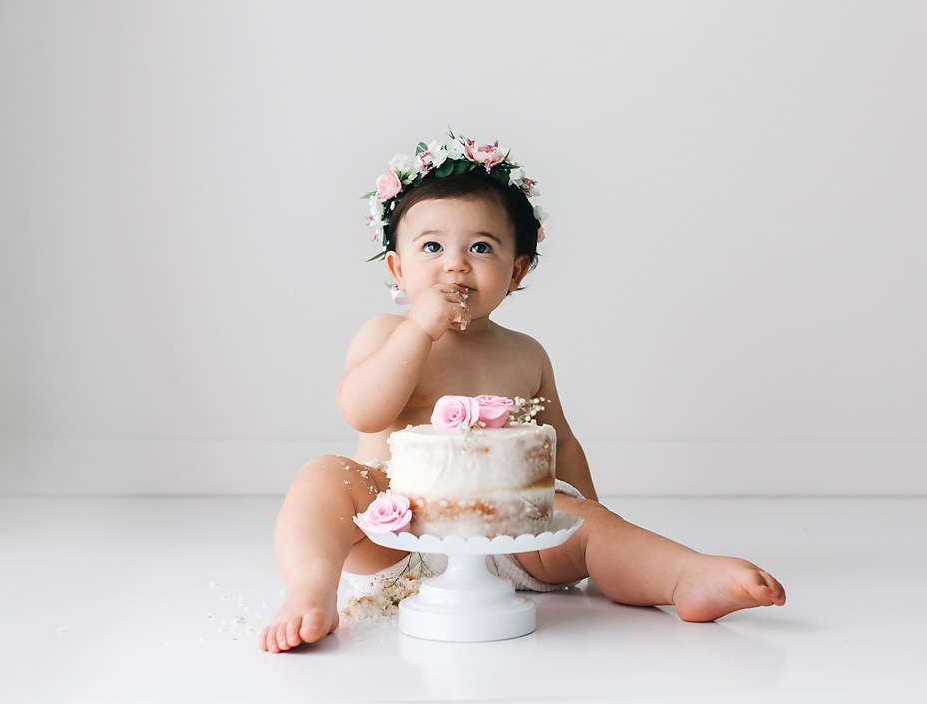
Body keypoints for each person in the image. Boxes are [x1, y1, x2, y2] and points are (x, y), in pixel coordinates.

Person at [259, 134, 786, 653]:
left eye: (481, 247)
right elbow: (363, 411)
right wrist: (418, 331)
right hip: (395, 539)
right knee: (323, 478)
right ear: (398, 268)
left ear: (516, 271)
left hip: (511, 540)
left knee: (589, 525)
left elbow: (563, 444)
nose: (455, 264)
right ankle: (311, 589)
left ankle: (680, 577)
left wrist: (592, 529)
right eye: (432, 247)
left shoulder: (525, 353)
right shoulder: (385, 334)